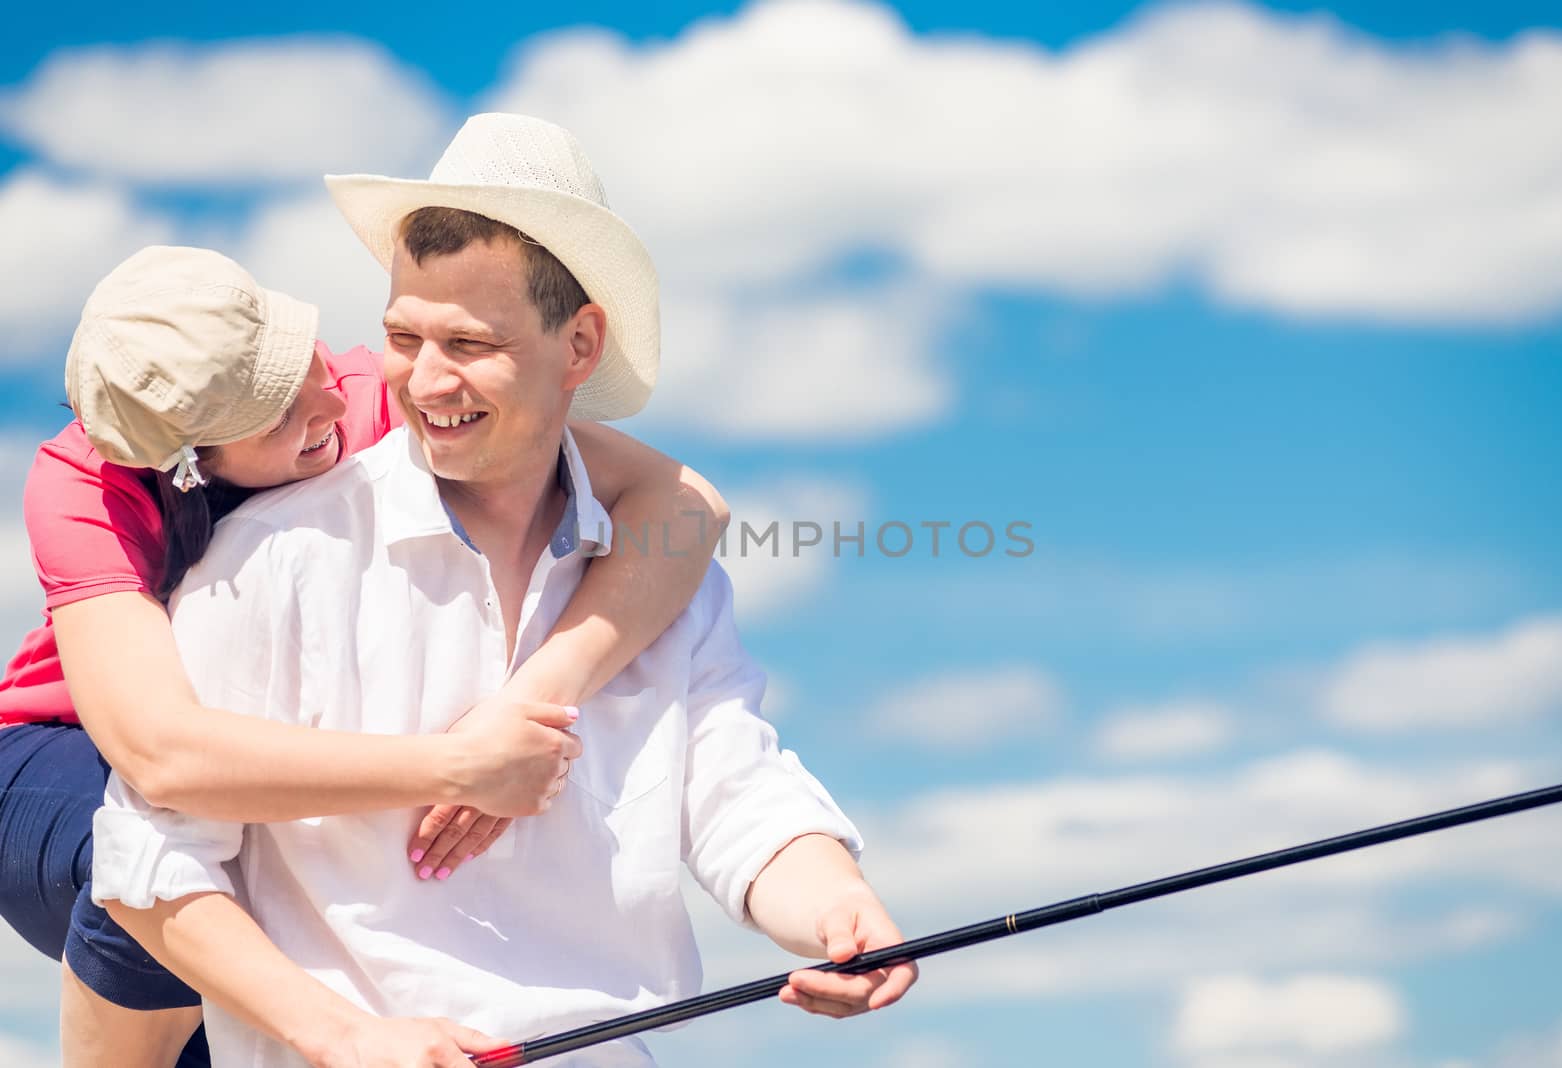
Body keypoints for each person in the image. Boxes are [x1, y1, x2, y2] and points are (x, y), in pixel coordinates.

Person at [93, 112, 917, 1068]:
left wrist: (835, 905)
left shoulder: (670, 581)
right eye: (404, 336)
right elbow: (147, 869)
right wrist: (348, 1037)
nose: (425, 379)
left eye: (470, 343)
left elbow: (734, 788)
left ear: (580, 346)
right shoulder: (269, 559)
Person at [0, 242, 731, 1067]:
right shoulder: (83, 484)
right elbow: (160, 754)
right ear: (193, 467)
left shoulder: (374, 398)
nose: (324, 401)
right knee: (143, 845)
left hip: (246, 739)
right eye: (275, 417)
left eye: (301, 360)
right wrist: (456, 767)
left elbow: (685, 505)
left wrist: (532, 694)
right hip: (57, 755)